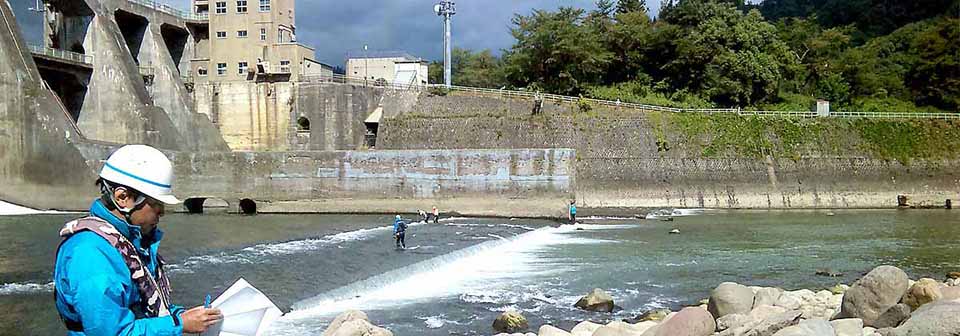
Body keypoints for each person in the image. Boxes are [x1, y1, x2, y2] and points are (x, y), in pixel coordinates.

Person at [53, 145, 222, 335]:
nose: (162, 212)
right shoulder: (89, 254)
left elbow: (147, 307)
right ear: (122, 197)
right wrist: (179, 324)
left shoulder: (128, 243)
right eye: (156, 204)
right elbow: (112, 332)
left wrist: (186, 316)